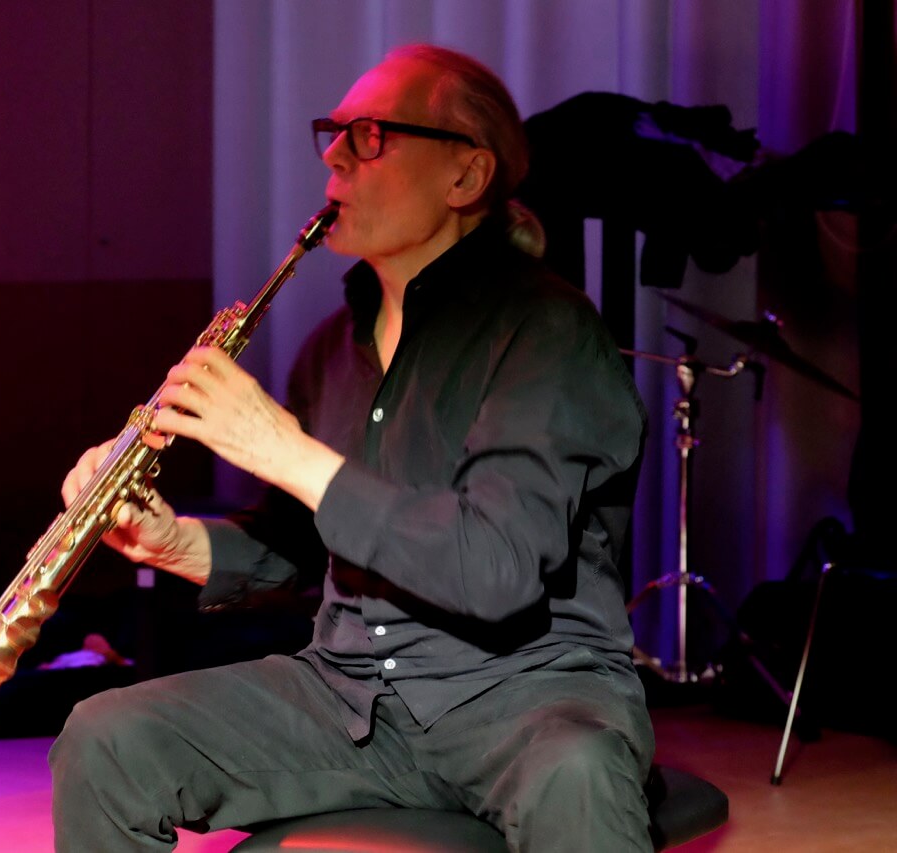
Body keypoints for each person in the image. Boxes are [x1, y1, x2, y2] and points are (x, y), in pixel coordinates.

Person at [49, 43, 655, 852]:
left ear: (465, 175)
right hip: (347, 695)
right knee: (105, 738)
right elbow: (305, 543)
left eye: (370, 136)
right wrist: (175, 542)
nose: (334, 155)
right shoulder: (331, 348)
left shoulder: (547, 332)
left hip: (526, 696)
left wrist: (284, 448)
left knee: (578, 769)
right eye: (333, 133)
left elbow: (498, 570)